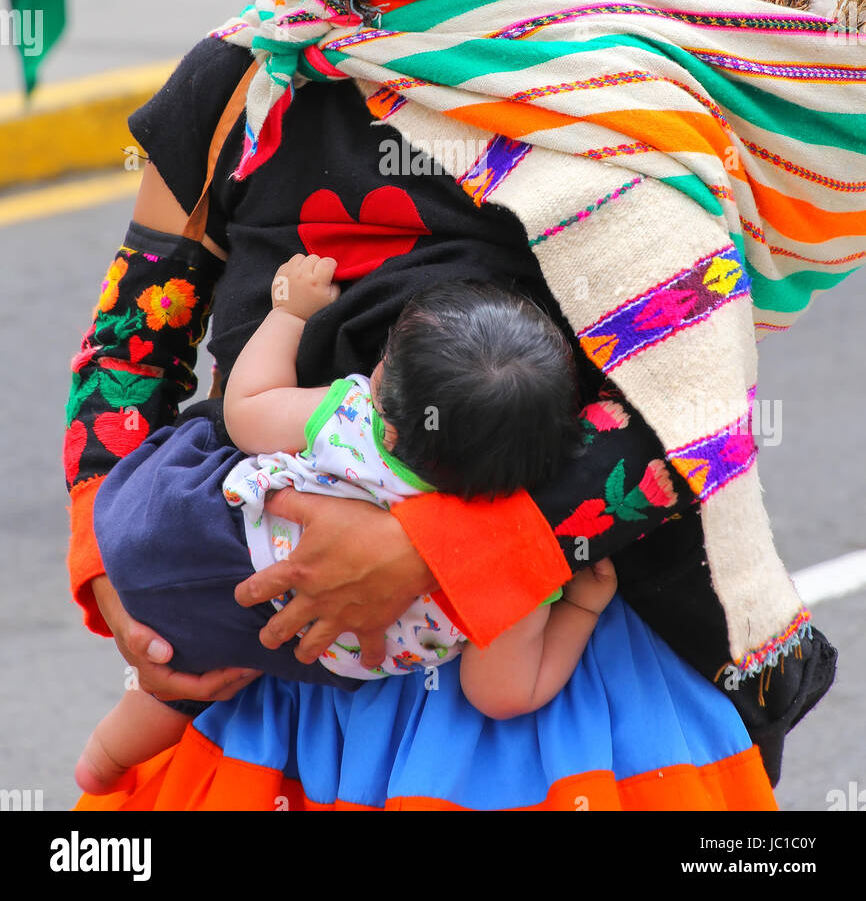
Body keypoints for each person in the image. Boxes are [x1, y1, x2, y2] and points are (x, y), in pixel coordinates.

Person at [65, 0, 859, 812]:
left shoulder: (594, 75)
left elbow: (679, 412)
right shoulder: (240, 77)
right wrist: (115, 562)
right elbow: (130, 337)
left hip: (544, 695)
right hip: (271, 701)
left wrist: (442, 548)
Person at [75, 251, 619, 793]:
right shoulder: (507, 558)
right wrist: (580, 607)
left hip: (162, 524)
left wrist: (288, 316)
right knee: (200, 673)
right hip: (271, 636)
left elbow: (246, 411)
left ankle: (100, 755)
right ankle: (103, 759)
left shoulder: (351, 419)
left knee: (175, 636)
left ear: (385, 392)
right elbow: (501, 693)